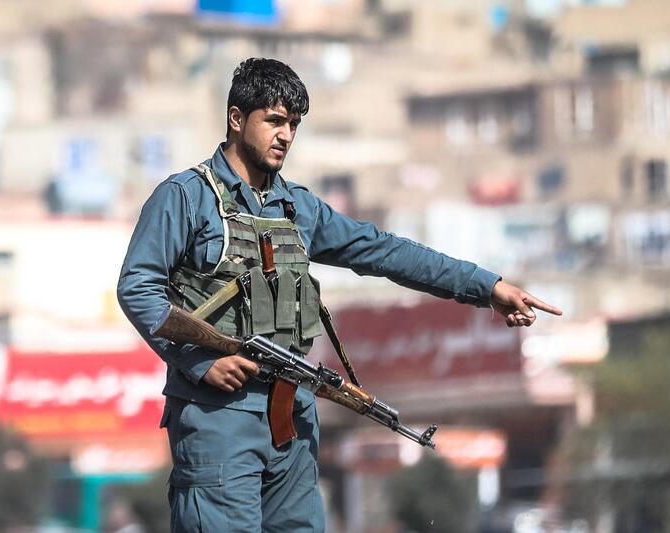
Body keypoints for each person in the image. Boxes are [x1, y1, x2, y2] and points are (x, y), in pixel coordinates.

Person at [117, 57, 562, 533]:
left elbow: (384, 252)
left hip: (292, 415)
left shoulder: (297, 207)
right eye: (273, 120)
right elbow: (137, 287)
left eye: (293, 124)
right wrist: (201, 362)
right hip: (218, 418)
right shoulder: (186, 197)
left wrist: (486, 287)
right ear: (235, 118)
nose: (285, 135)